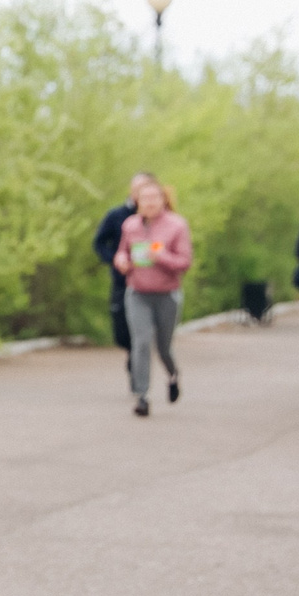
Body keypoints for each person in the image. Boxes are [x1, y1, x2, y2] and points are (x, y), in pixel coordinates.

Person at [112, 177, 192, 417]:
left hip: (167, 294)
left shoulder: (176, 226)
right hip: (137, 293)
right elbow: (121, 253)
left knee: (164, 346)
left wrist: (161, 256)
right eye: (144, 198)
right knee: (141, 342)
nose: (149, 203)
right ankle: (142, 396)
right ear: (137, 201)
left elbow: (184, 262)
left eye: (154, 198)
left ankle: (173, 374)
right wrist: (122, 261)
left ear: (163, 200)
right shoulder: (130, 226)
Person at [91, 175, 149, 361]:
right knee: (122, 331)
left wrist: (157, 255)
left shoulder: (159, 220)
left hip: (150, 283)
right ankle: (133, 352)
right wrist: (115, 258)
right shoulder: (117, 216)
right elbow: (99, 243)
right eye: (138, 188)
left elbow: (167, 244)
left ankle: (139, 365)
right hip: (123, 280)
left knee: (142, 330)